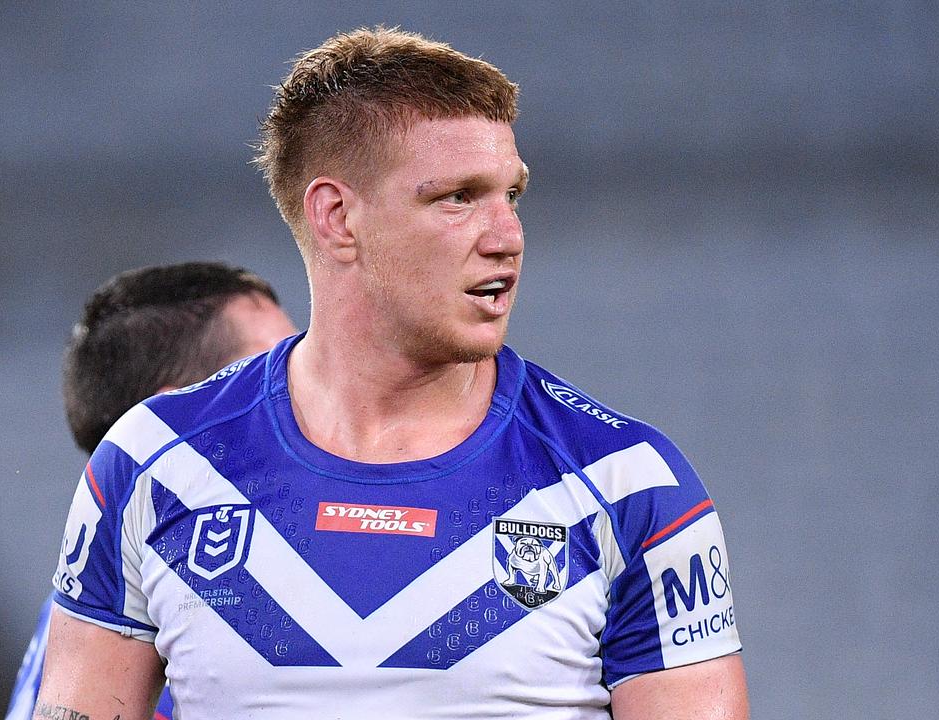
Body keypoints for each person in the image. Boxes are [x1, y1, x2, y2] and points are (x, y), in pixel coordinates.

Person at [38, 27, 748, 719]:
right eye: (457, 198)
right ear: (337, 216)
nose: (507, 238)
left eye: (512, 195)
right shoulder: (151, 465)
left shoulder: (629, 484)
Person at [5, 262, 295, 720]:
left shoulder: (94, 611)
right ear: (178, 416)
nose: (301, 383)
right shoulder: (172, 629)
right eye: (268, 369)